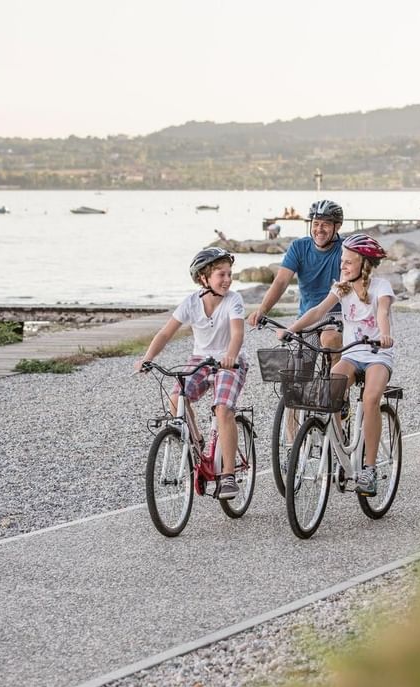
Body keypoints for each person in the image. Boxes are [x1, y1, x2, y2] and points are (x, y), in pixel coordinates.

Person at [280, 233, 394, 497]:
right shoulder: (341, 288)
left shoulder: (381, 286)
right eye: (342, 261)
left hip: (378, 353)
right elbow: (318, 311)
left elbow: (382, 312)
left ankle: (369, 468)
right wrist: (292, 329)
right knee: (327, 388)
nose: (342, 266)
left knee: (370, 399)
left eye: (348, 262)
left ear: (364, 264)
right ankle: (340, 439)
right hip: (351, 354)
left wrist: (385, 334)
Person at [135, 247, 248, 499]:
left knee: (223, 409)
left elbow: (238, 333)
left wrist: (230, 355)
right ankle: (197, 444)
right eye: (221, 274)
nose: (228, 279)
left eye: (229, 274)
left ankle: (228, 475)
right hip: (200, 359)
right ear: (203, 279)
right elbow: (166, 332)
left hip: (230, 361)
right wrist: (148, 358)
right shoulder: (190, 303)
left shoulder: (234, 300)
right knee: (177, 399)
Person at [247, 199, 344, 351]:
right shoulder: (299, 247)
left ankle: (336, 374)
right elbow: (280, 282)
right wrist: (263, 310)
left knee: (331, 340)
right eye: (316, 223)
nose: (319, 229)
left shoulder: (345, 250)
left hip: (336, 314)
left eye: (325, 224)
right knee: (300, 368)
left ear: (337, 226)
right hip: (306, 316)